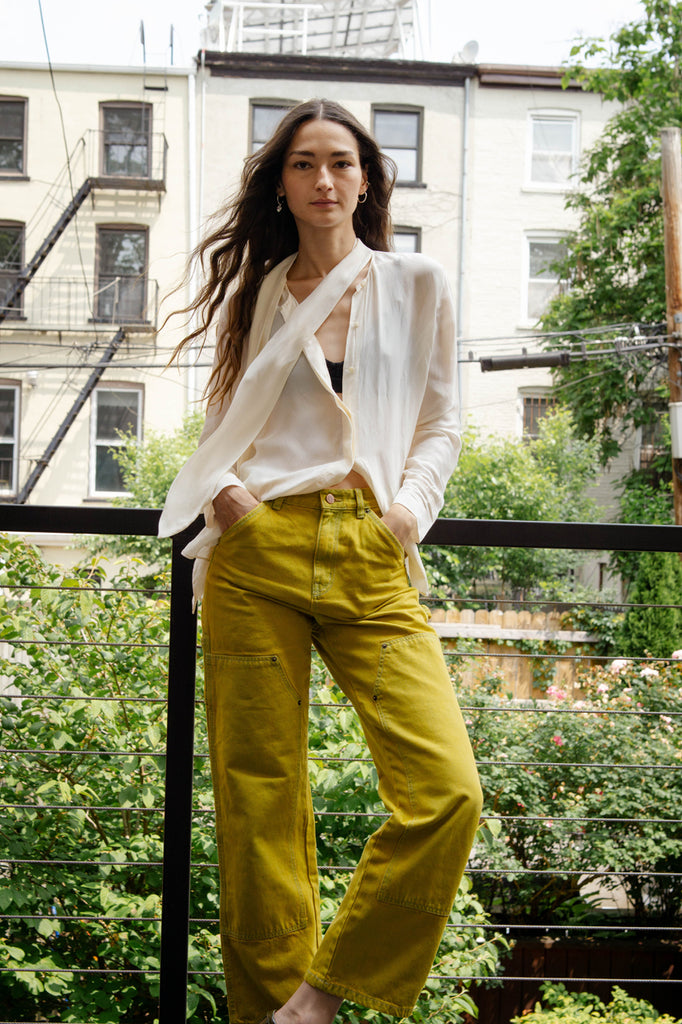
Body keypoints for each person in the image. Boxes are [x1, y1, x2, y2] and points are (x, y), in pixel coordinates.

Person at [159, 98, 482, 1024]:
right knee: (256, 801)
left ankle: (324, 995)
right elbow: (230, 417)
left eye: (341, 162)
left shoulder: (417, 281)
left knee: (446, 791)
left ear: (369, 178)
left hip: (368, 550)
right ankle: (268, 1015)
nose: (324, 179)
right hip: (258, 549)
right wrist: (229, 500)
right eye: (304, 164)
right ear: (284, 184)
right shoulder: (262, 293)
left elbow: (442, 418)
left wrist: (407, 513)